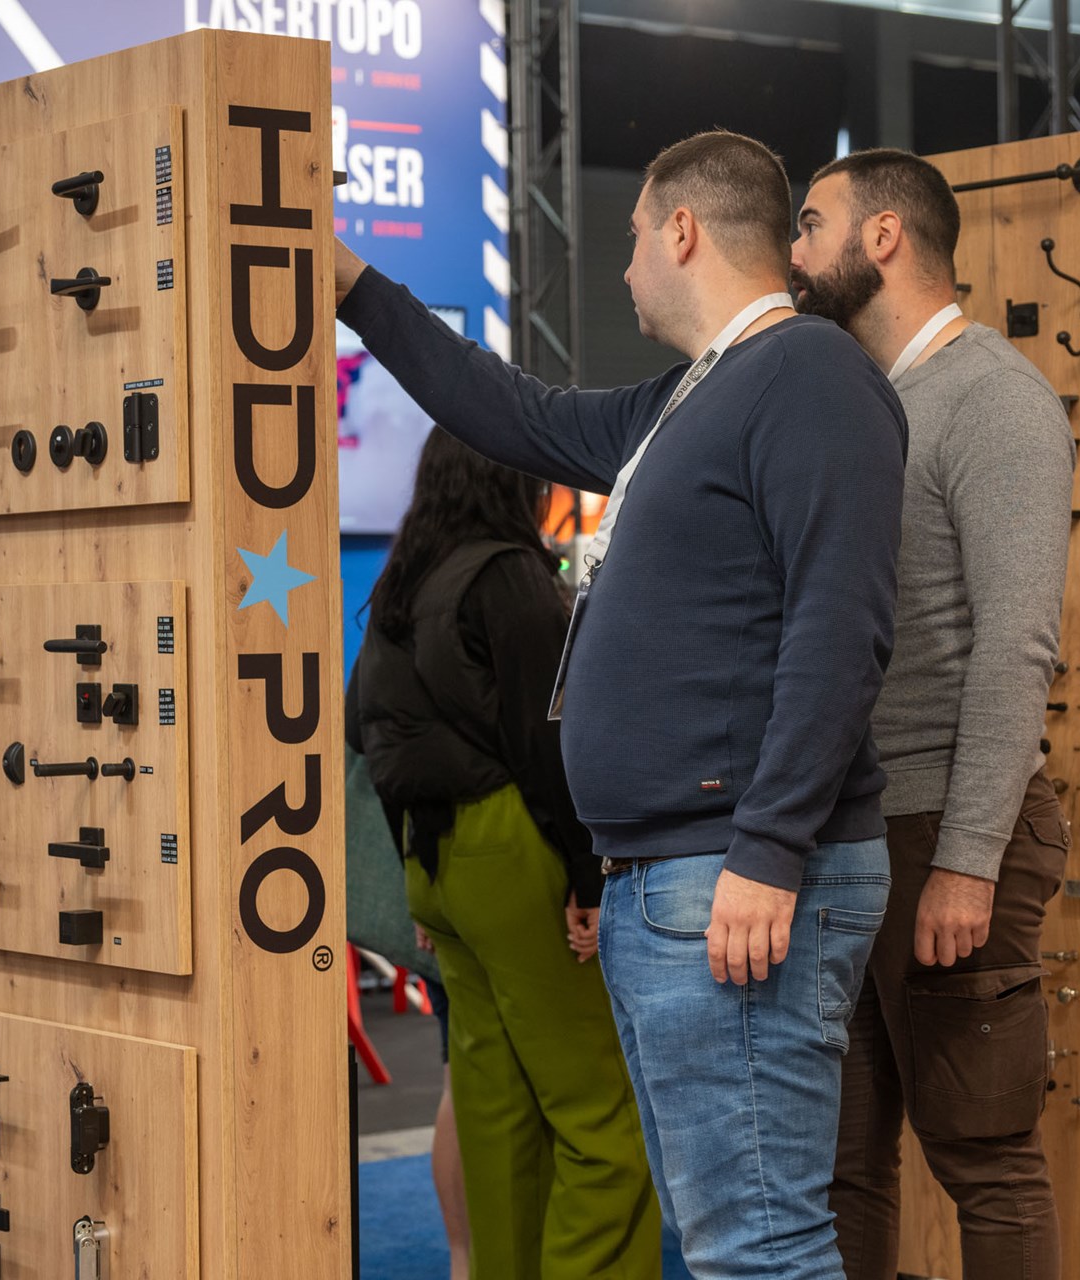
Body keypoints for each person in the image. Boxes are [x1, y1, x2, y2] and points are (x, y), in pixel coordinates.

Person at [336, 130, 907, 1276]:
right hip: (678, 877)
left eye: (635, 235)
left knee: (759, 1240)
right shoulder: (698, 392)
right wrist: (352, 285)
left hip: (732, 873)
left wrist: (769, 845)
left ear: (683, 231)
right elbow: (509, 409)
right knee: (723, 1233)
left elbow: (841, 626)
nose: (626, 263)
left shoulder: (808, 373)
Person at [788, 149, 1075, 1280]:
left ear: (884, 236)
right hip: (852, 833)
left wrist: (966, 860)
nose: (794, 252)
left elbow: (1016, 646)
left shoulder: (994, 397)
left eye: (811, 224)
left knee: (984, 1161)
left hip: (942, 833)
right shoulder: (869, 402)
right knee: (843, 1164)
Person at [346, 427, 659, 1280]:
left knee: (496, 1109)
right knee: (600, 1114)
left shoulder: (401, 584)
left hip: (433, 865)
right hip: (510, 852)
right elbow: (550, 743)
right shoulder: (510, 576)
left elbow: (364, 736)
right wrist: (588, 878)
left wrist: (417, 880)